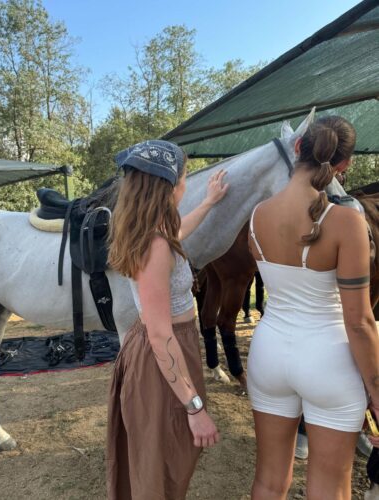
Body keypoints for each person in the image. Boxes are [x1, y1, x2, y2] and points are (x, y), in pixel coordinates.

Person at [246, 116, 379, 499]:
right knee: (329, 487)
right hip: (328, 360)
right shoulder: (346, 223)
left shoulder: (257, 215)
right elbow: (360, 322)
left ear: (298, 148)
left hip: (268, 354)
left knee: (269, 481)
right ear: (344, 166)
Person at [106, 140, 228, 500]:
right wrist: (195, 408)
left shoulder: (149, 231)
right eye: (185, 178)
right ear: (169, 186)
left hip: (163, 348)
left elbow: (176, 235)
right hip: (163, 352)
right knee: (162, 462)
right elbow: (160, 336)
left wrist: (208, 202)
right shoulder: (156, 245)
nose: (186, 185)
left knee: (159, 457)